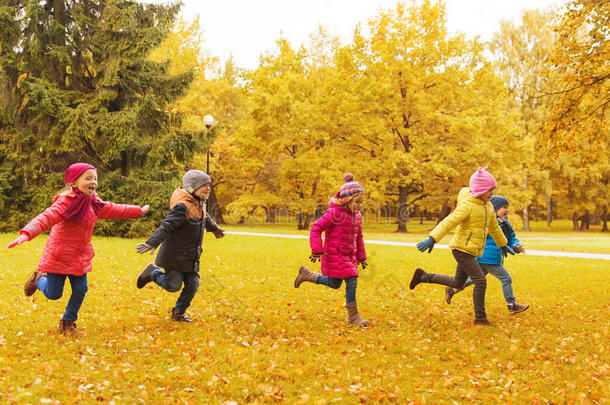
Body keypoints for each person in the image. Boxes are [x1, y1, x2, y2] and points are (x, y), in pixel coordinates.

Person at [7, 163, 148, 335]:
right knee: (53, 294)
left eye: (95, 178)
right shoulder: (66, 202)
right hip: (59, 256)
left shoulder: (94, 203)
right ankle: (38, 278)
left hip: (80, 256)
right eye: (88, 178)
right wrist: (27, 233)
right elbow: (47, 216)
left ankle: (68, 323)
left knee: (81, 289)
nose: (93, 182)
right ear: (73, 183)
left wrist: (137, 211)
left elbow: (115, 209)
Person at [409, 167, 515, 325]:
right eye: (489, 190)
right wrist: (432, 238)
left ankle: (423, 276)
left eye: (493, 190)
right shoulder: (467, 206)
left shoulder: (488, 207)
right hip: (461, 250)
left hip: (471, 251)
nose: (492, 193)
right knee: (480, 280)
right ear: (479, 190)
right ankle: (480, 318)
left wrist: (503, 244)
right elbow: (448, 222)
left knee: (457, 283)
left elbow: (494, 228)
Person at [135, 170, 225, 322]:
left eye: (209, 185)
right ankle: (153, 273)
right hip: (175, 256)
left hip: (191, 257)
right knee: (173, 285)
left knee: (193, 285)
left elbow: (205, 218)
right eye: (204, 185)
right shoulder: (182, 207)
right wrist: (152, 242)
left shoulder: (199, 203)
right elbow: (166, 226)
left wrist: (214, 228)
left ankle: (178, 312)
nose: (208, 188)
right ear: (192, 188)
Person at [294, 174, 369, 326]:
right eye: (356, 202)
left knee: (335, 283)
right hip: (335, 254)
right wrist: (316, 249)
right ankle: (353, 317)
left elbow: (359, 237)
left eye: (361, 202)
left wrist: (362, 257)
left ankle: (307, 275)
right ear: (347, 200)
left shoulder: (357, 216)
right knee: (352, 279)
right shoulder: (334, 213)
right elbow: (316, 228)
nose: (359, 206)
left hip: (350, 256)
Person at [445, 195, 529, 314]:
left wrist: (516, 246)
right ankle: (512, 304)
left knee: (473, 279)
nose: (507, 210)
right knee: (506, 278)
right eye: (504, 207)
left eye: (508, 207)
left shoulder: (506, 225)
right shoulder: (488, 223)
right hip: (488, 258)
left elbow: (512, 238)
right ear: (495, 210)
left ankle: (452, 289)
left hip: (489, 259)